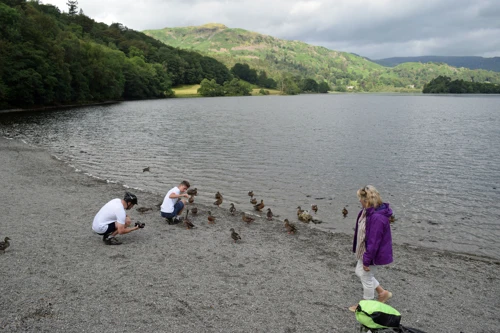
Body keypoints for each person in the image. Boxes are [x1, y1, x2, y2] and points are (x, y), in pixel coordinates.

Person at [350, 185, 393, 312]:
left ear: (367, 201)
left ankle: (366, 307)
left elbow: (374, 242)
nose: (359, 201)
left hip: (373, 254)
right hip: (365, 251)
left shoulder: (377, 218)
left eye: (360, 199)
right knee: (359, 271)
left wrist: (367, 260)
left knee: (366, 277)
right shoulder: (366, 212)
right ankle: (382, 293)